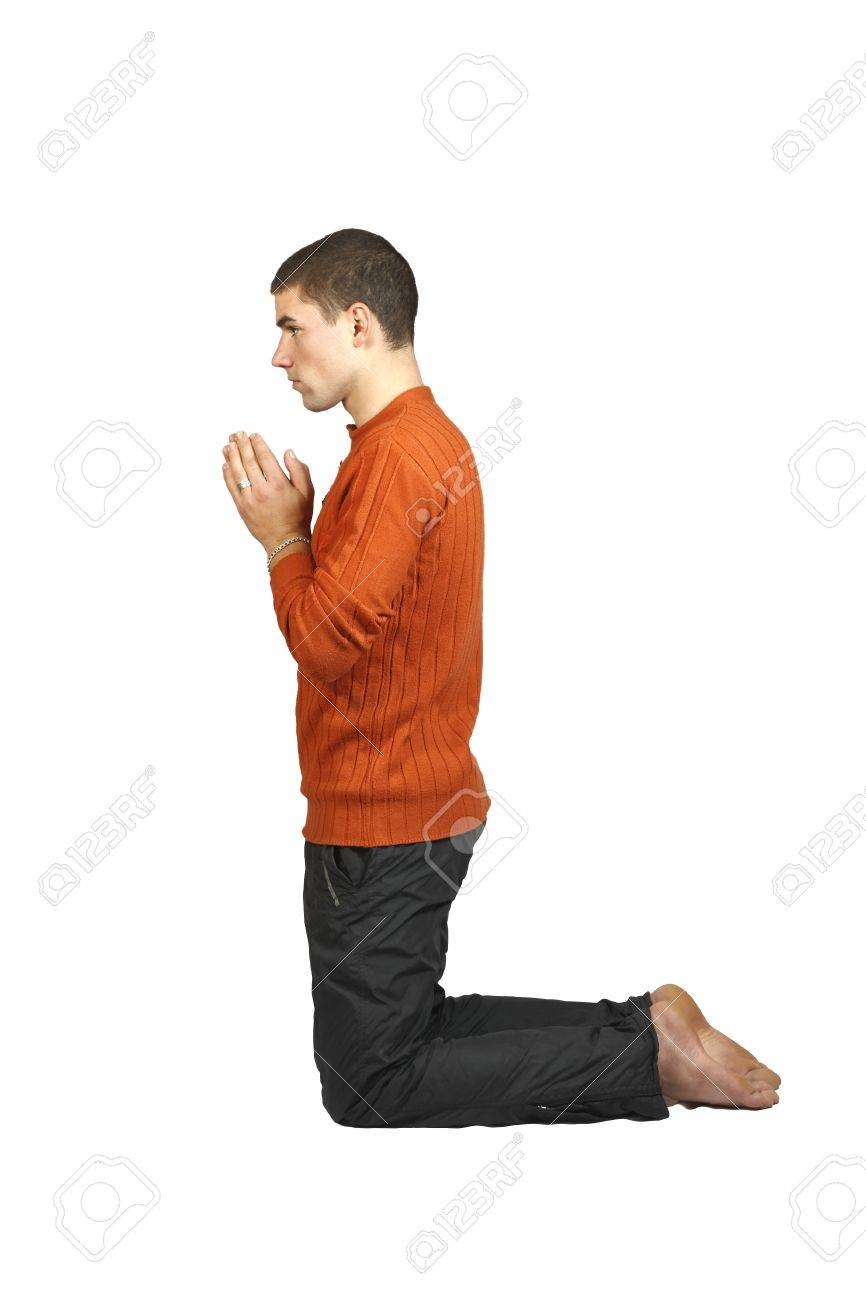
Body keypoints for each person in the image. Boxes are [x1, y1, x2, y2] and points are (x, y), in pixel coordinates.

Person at [221, 228, 781, 1126]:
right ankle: (648, 1033)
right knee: (401, 1040)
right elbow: (366, 628)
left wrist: (282, 538)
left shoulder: (397, 455)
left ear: (358, 324)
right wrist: (303, 537)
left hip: (382, 822)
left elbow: (325, 641)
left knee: (371, 1085)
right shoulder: (412, 442)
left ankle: (647, 1053)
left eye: (293, 327)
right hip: (406, 807)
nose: (278, 356)